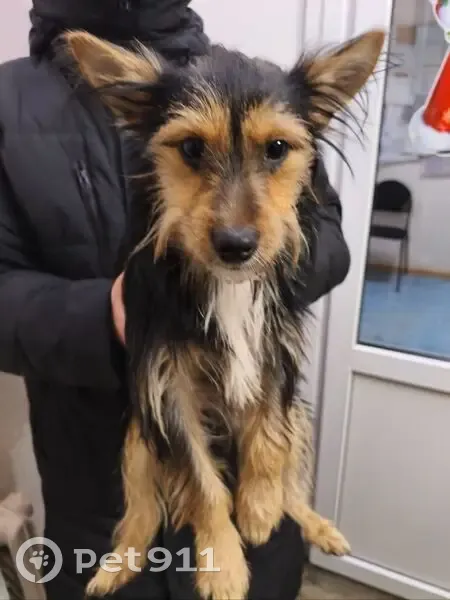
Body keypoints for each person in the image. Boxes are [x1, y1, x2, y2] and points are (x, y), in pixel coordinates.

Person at [0, 1, 350, 599]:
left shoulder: (259, 83)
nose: (233, 218)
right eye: (190, 151)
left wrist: (266, 269)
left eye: (274, 152)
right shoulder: (8, 104)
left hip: (256, 502)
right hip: (98, 498)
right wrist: (105, 317)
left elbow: (331, 243)